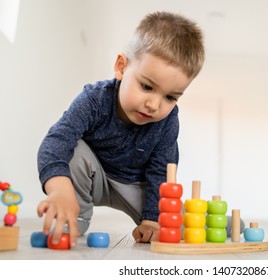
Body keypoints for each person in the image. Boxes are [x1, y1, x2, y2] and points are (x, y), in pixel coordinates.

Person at [36, 11, 205, 248]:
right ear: (121, 67)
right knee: (73, 149)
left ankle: (214, 221)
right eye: (147, 86)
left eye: (170, 97)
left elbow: (161, 172)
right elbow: (56, 141)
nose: (154, 105)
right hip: (91, 176)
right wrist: (60, 191)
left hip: (134, 186)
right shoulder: (94, 99)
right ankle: (75, 215)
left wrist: (152, 221)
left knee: (175, 222)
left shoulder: (168, 121)